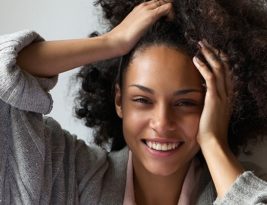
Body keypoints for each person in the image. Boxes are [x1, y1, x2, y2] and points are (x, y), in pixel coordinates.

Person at [0, 0, 266, 204]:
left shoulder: (241, 187)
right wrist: (111, 43)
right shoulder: (71, 173)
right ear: (119, 100)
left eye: (185, 103)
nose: (162, 123)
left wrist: (213, 141)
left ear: (213, 105)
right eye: (142, 99)